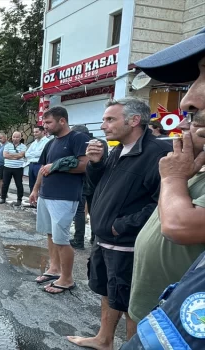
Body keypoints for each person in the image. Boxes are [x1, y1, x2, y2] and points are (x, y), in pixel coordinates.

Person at [119, 27, 205, 347]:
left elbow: (179, 224)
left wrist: (172, 178)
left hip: (175, 327)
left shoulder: (175, 168)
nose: (188, 100)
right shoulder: (191, 166)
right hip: (153, 309)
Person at [66, 98, 171, 349]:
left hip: (127, 245)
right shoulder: (117, 149)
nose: (103, 126)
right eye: (104, 119)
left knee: (131, 304)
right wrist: (95, 163)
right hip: (105, 240)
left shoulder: (156, 154)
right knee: (108, 292)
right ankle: (104, 339)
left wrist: (121, 226)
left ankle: (132, 346)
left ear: (134, 120)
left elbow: (162, 204)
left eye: (109, 119)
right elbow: (97, 186)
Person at [29, 106, 90, 294]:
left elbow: (85, 165)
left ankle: (67, 279)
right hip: (46, 195)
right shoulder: (51, 143)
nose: (45, 127)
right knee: (50, 234)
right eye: (44, 123)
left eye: (49, 122)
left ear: (62, 121)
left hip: (64, 196)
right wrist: (35, 189)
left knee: (61, 238)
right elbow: (43, 168)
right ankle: (54, 269)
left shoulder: (78, 138)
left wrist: (56, 167)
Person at [68, 125, 109, 250]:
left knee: (80, 211)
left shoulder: (85, 143)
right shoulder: (100, 142)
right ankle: (94, 238)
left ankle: (79, 239)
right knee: (94, 211)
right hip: (98, 181)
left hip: (85, 181)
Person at [0, 131, 27, 206]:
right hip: (7, 167)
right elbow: (5, 155)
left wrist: (11, 155)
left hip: (18, 168)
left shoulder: (24, 146)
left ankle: (19, 200)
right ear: (11, 137)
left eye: (17, 137)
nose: (15, 138)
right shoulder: (7, 145)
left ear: (20, 138)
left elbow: (21, 155)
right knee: (5, 184)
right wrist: (16, 156)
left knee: (19, 184)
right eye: (14, 137)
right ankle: (3, 198)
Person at [25, 126, 51, 195]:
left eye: (37, 132)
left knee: (40, 184)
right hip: (31, 165)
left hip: (39, 165)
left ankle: (39, 202)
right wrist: (35, 154)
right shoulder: (34, 143)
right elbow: (27, 154)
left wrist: (32, 154)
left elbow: (42, 154)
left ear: (43, 132)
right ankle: (32, 202)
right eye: (34, 132)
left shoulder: (47, 142)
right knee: (31, 184)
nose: (35, 134)